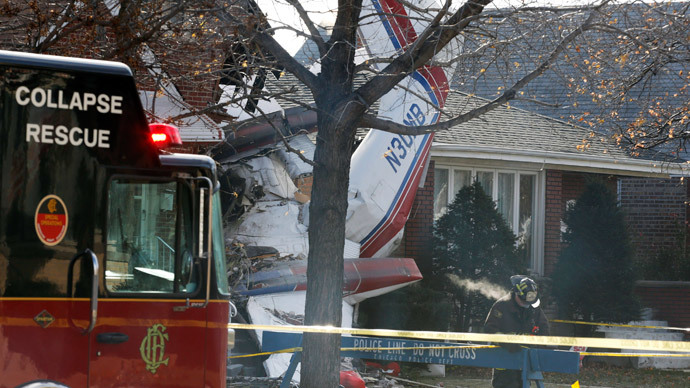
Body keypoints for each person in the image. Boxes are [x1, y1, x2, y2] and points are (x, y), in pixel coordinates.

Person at [484, 275, 550, 388]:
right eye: (524, 302)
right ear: (516, 294)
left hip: (525, 361)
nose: (526, 305)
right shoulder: (501, 306)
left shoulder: (533, 308)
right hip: (504, 363)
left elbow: (544, 329)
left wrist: (540, 348)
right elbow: (490, 329)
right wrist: (507, 343)